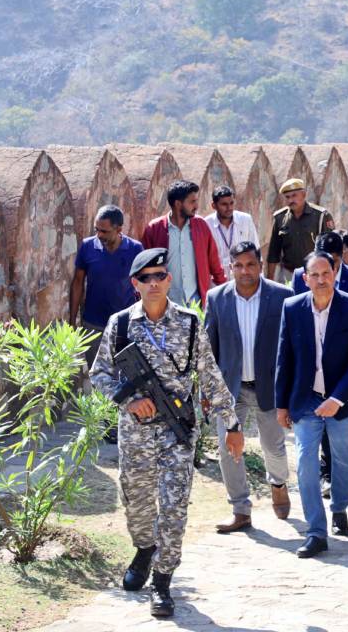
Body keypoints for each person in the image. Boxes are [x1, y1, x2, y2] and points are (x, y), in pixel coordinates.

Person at [89, 248, 243, 618]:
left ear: (169, 280)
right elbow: (99, 373)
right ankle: (144, 550)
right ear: (135, 284)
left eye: (160, 276)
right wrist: (129, 400)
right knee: (137, 504)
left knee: (174, 508)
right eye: (146, 278)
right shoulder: (120, 324)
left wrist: (232, 424)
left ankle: (162, 581)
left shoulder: (189, 324)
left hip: (178, 432)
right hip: (136, 434)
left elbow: (210, 376)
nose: (154, 283)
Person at [274, 252, 348, 559]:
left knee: (343, 460)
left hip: (343, 399)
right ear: (305, 279)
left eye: (325, 273)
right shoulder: (292, 307)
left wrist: (337, 399)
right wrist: (281, 404)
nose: (320, 280)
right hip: (305, 399)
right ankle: (316, 531)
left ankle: (339, 507)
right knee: (305, 461)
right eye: (314, 275)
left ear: (335, 274)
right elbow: (284, 357)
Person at [204, 241, 294, 532]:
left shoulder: (282, 296)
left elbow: (292, 346)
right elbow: (209, 348)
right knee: (227, 448)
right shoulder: (217, 298)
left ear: (260, 265)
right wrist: (207, 391)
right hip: (231, 389)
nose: (245, 271)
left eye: (251, 264)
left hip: (269, 386)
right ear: (230, 267)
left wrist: (291, 390)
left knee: (273, 447)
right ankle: (240, 509)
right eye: (239, 266)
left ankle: (278, 484)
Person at [70, 205, 143, 377]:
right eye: (96, 230)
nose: (99, 235)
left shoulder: (135, 249)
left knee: (126, 376)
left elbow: (144, 284)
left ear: (119, 229)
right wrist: (72, 320)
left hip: (125, 325)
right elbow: (78, 282)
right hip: (93, 325)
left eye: (104, 231)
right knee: (97, 376)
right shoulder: (87, 247)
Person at [141, 180, 226, 306]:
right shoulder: (154, 229)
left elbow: (214, 262)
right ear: (178, 204)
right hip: (165, 304)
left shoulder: (201, 226)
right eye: (192, 202)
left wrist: (224, 290)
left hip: (196, 303)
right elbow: (144, 269)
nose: (196, 206)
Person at [267, 178, 335, 282]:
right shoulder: (280, 218)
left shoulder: (321, 216)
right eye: (287, 197)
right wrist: (270, 278)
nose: (290, 200)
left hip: (315, 273)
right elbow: (273, 253)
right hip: (289, 274)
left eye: (294, 196)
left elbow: (331, 249)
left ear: (303, 195)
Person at [292, 231, 348, 297]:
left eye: (332, 262)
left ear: (341, 256)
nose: (327, 267)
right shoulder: (300, 277)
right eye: (323, 262)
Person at [204, 186, 259, 262]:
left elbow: (255, 249)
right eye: (224, 204)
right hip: (217, 269)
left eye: (231, 203)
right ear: (214, 206)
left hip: (241, 269)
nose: (229, 208)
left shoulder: (245, 220)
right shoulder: (206, 224)